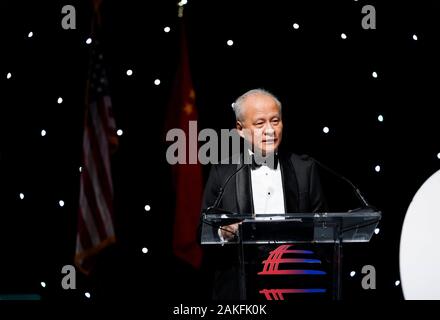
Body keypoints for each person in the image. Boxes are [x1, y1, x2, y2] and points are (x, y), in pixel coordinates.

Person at [200, 88, 328, 300]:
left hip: (294, 285)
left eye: (275, 121)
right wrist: (224, 231)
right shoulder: (223, 172)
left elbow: (323, 228)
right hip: (240, 289)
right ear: (240, 129)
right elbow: (203, 230)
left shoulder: (305, 168)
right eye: (260, 123)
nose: (270, 130)